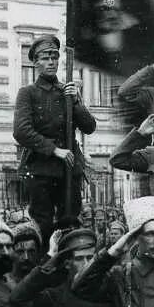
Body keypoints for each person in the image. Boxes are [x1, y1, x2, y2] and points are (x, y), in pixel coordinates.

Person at [12, 34, 98, 244]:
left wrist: (76, 101)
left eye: (54, 57)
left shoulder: (68, 92)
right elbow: (21, 131)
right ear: (35, 63)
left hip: (69, 170)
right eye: (44, 58)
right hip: (41, 170)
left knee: (70, 224)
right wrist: (54, 150)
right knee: (44, 225)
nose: (50, 62)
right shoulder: (28, 93)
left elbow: (89, 127)